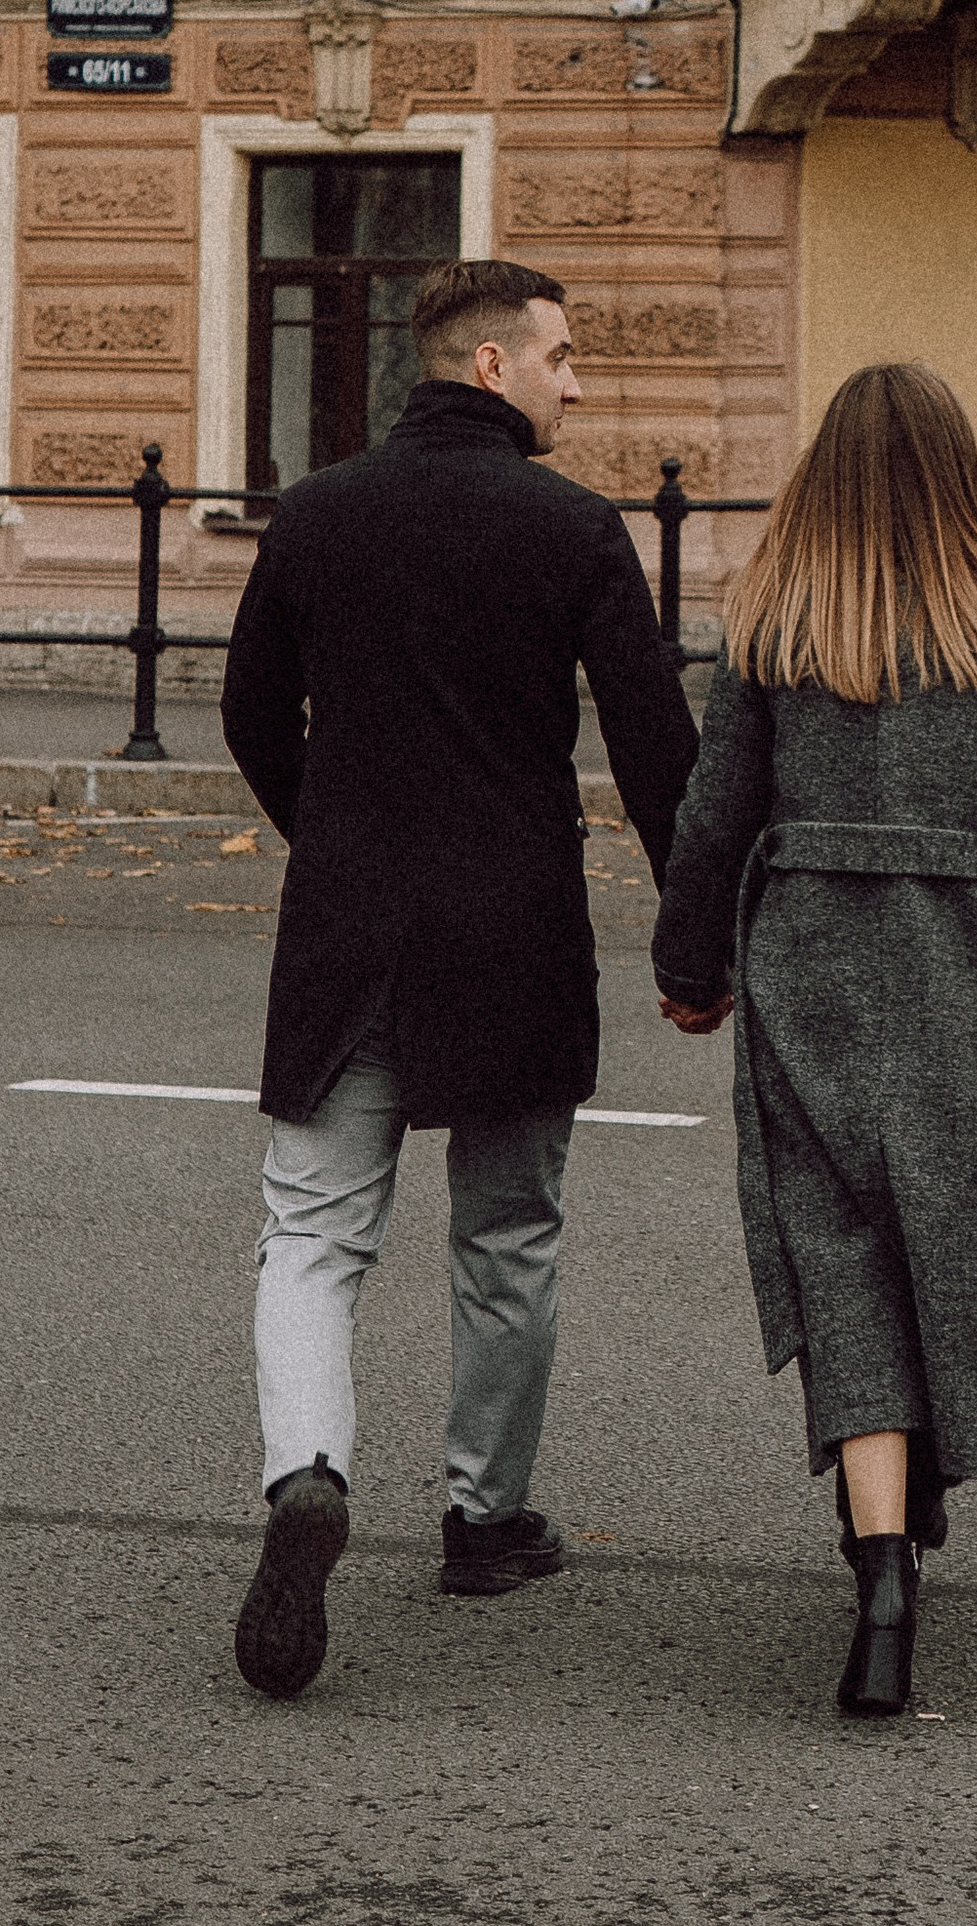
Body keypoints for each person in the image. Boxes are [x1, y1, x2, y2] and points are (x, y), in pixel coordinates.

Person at [220, 257, 697, 1700]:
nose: (577, 384)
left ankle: (308, 1473)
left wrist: (333, 834)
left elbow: (250, 711)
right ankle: (486, 1521)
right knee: (509, 1237)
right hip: (512, 927)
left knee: (312, 1233)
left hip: (350, 927)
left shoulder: (317, 513)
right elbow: (653, 745)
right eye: (562, 357)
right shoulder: (572, 527)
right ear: (492, 366)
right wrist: (698, 938)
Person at [649, 362, 977, 1722]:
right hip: (959, 976)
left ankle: (881, 1578)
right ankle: (929, 1479)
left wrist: (690, 971)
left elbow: (713, 814)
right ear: (957, 475)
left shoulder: (772, 619)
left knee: (845, 1264)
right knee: (952, 1232)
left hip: (807, 967)